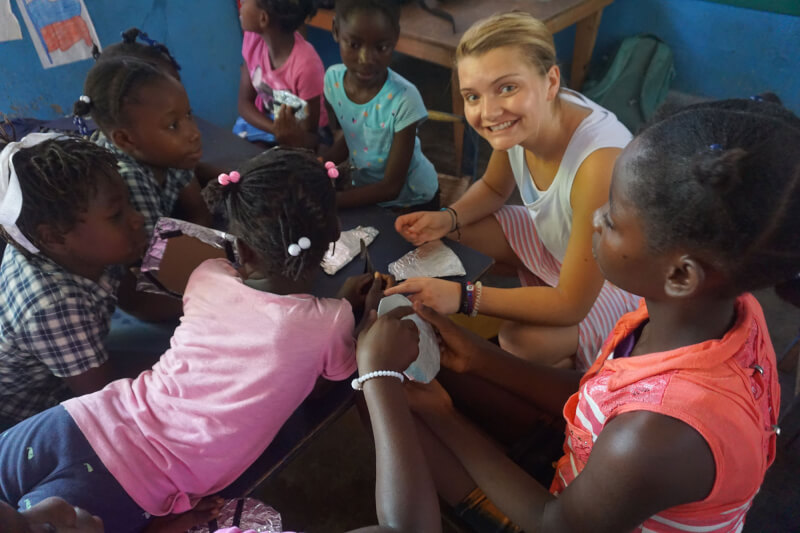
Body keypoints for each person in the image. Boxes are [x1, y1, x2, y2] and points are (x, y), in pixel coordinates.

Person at [402, 95, 797, 532]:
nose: (593, 219)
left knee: (399, 414)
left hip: (563, 518)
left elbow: (557, 523)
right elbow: (601, 394)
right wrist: (479, 357)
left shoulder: (656, 434)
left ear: (681, 275)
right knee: (442, 374)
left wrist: (445, 418)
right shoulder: (723, 314)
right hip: (591, 466)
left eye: (611, 219)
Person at [0, 148, 381, 532]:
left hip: (79, 418)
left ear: (241, 248)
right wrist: (355, 316)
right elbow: (323, 383)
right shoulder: (332, 322)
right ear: (333, 235)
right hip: (134, 481)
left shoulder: (208, 274)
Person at [390, 12, 638, 370]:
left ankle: (580, 371)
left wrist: (464, 297)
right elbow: (493, 188)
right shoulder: (524, 121)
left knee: (520, 340)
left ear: (551, 81)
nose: (488, 112)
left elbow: (572, 302)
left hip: (612, 285)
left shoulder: (599, 163)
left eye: (507, 87)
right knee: (454, 233)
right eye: (472, 96)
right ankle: (536, 296)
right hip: (561, 248)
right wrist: (447, 217)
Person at [0, 133, 147, 432]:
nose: (138, 219)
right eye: (116, 215)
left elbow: (139, 300)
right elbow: (103, 401)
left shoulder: (76, 247)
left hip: (77, 366)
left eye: (129, 204)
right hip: (35, 412)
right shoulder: (52, 305)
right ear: (53, 237)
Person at [73, 56, 212, 239]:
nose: (194, 133)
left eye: (188, 114)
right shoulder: (127, 179)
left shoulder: (171, 154)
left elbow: (198, 210)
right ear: (126, 140)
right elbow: (158, 258)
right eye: (173, 125)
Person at [322, 0, 439, 212]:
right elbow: (354, 135)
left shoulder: (404, 99)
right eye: (354, 45)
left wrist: (329, 201)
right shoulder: (333, 81)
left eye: (381, 47)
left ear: (395, 38)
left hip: (412, 201)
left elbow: (391, 187)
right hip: (365, 191)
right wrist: (320, 165)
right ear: (336, 31)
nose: (366, 59)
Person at [234, 0, 328, 148]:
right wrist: (276, 129)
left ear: (263, 18)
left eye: (245, 1)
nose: (241, 5)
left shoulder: (307, 66)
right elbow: (244, 104)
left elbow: (310, 134)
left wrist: (285, 133)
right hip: (268, 123)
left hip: (303, 133)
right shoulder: (252, 39)